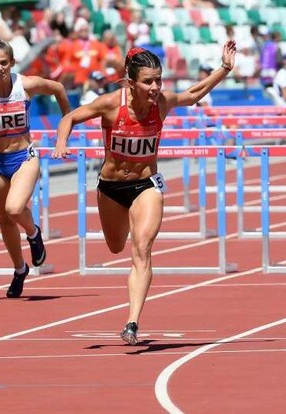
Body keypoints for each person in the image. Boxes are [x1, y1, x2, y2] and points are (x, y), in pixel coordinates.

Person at [52, 41, 236, 345]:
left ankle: (132, 322)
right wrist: (62, 142)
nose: (155, 87)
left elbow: (192, 95)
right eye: (148, 82)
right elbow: (69, 117)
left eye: (159, 80)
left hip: (146, 185)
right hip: (111, 188)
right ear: (131, 81)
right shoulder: (111, 104)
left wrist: (224, 69)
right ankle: (131, 314)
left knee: (142, 249)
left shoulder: (161, 103)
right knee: (115, 247)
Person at [0, 33, 70, 298]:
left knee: (15, 207)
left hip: (24, 156)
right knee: (4, 221)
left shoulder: (25, 84)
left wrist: (66, 124)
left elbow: (59, 89)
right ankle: (19, 269)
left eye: (3, 63)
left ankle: (34, 232)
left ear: (12, 62)